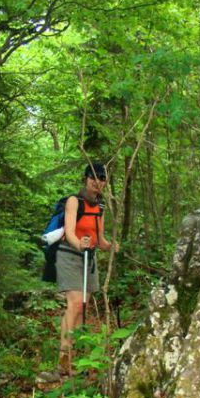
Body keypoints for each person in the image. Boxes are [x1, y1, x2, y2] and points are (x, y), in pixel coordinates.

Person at [55, 161, 118, 376]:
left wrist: (110, 246)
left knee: (84, 306)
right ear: (85, 179)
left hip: (89, 258)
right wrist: (78, 243)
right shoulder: (75, 201)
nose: (97, 182)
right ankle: (64, 358)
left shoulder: (100, 207)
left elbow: (99, 239)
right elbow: (70, 231)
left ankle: (78, 358)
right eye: (93, 178)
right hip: (69, 255)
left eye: (101, 179)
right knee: (74, 304)